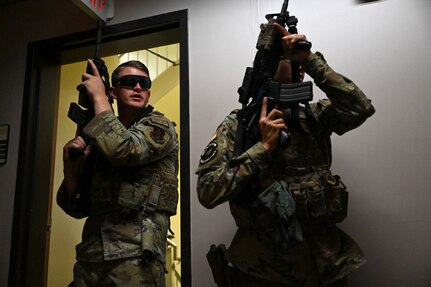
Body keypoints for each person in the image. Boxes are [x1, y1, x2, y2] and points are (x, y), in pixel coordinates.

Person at [196, 23, 375, 287]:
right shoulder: (239, 124)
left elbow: (360, 108)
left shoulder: (313, 116)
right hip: (263, 272)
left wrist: (310, 59)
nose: (292, 65)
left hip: (324, 266)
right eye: (281, 58)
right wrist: (263, 148)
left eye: (293, 62)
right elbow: (208, 192)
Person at [57, 59, 179, 287]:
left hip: (135, 260)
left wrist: (99, 98)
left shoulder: (159, 126)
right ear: (114, 90)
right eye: (129, 82)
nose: (138, 87)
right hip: (91, 259)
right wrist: (72, 171)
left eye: (144, 83)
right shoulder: (101, 137)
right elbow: (76, 207)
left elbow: (125, 150)